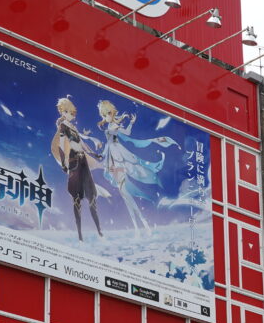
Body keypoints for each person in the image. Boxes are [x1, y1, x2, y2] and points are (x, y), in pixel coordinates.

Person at [97, 99, 173, 238]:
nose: (107, 116)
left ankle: (142, 225)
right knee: (124, 193)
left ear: (112, 113)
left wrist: (131, 122)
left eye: (108, 113)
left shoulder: (114, 126)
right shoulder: (110, 126)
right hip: (113, 161)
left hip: (120, 159)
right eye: (104, 114)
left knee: (126, 193)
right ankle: (139, 226)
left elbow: (126, 133)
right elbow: (108, 145)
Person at [51, 96, 104, 242]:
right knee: (77, 198)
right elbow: (62, 145)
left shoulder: (73, 128)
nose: (73, 114)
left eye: (73, 112)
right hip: (74, 161)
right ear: (63, 112)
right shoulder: (63, 127)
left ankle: (99, 230)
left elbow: (83, 145)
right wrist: (63, 163)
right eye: (69, 112)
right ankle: (80, 234)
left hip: (83, 161)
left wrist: (93, 154)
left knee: (91, 195)